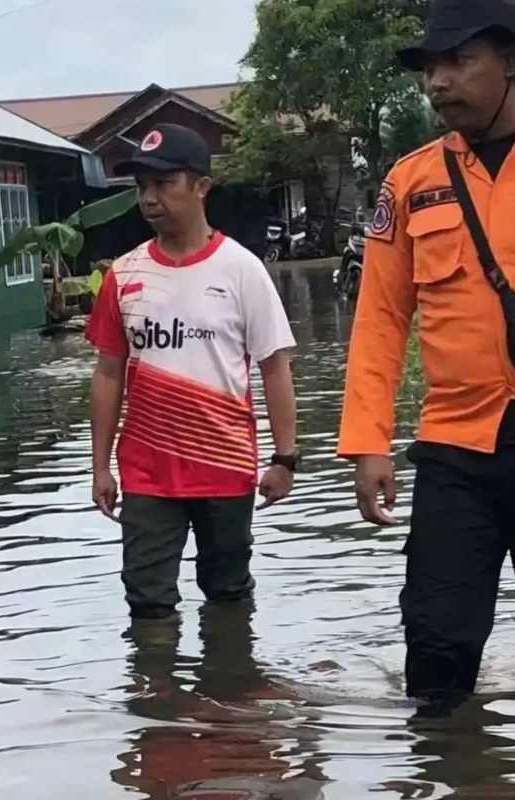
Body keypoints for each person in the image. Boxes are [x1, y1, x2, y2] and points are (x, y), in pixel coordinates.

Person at [339, 0, 515, 706]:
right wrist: (367, 442)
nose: (438, 82)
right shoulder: (410, 181)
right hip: (457, 445)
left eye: (459, 61)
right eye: (430, 67)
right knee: (437, 646)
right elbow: (381, 319)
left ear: (510, 62)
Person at [87, 122, 299, 620]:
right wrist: (100, 466)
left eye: (164, 184)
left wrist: (285, 458)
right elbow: (107, 375)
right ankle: (155, 695)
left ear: (201, 186)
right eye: (142, 188)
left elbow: (274, 367)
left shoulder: (241, 270)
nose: (150, 199)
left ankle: (232, 686)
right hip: (146, 474)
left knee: (227, 594)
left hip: (224, 467)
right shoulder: (124, 275)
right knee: (147, 601)